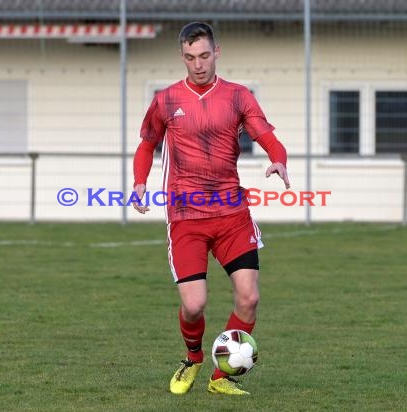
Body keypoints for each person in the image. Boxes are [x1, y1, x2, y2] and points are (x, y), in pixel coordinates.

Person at [131, 21, 290, 396]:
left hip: (232, 214)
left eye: (204, 55)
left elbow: (266, 136)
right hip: (186, 216)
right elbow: (146, 144)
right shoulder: (166, 100)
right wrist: (140, 182)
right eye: (190, 57)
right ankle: (193, 358)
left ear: (216, 53)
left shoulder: (238, 96)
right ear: (181, 57)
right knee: (194, 305)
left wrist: (279, 159)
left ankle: (221, 378)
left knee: (249, 297)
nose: (198, 64)